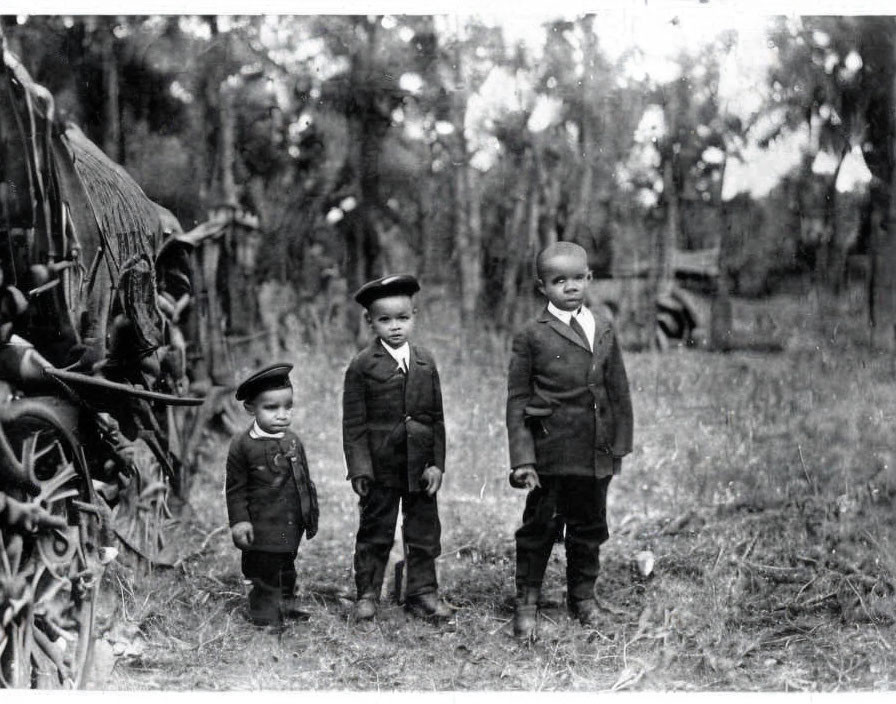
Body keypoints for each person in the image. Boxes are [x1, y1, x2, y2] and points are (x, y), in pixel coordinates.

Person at [506, 241, 633, 639]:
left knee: (589, 525)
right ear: (542, 286)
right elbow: (517, 400)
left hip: (594, 450)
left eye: (578, 278)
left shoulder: (604, 327)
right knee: (540, 526)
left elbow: (618, 390)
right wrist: (523, 459)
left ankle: (583, 598)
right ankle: (527, 601)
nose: (570, 287)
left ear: (590, 279)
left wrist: (619, 445)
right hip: (551, 452)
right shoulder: (531, 335)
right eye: (559, 281)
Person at [342, 274, 451, 622]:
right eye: (384, 320)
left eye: (402, 318)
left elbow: (436, 419)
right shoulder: (362, 366)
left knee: (423, 531)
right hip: (381, 467)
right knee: (376, 531)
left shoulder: (425, 361)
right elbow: (354, 425)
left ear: (414, 316)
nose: (395, 327)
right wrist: (360, 468)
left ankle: (422, 592)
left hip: (419, 467)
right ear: (369, 321)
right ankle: (368, 593)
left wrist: (436, 464)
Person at [225, 363, 318, 628]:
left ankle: (286, 599)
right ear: (250, 409)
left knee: (287, 561)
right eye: (271, 408)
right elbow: (235, 488)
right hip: (261, 524)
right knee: (263, 569)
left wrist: (308, 514)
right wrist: (240, 521)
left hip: (290, 521)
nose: (282, 415)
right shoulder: (243, 445)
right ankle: (265, 612)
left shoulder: (293, 440)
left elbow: (303, 479)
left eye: (288, 407)